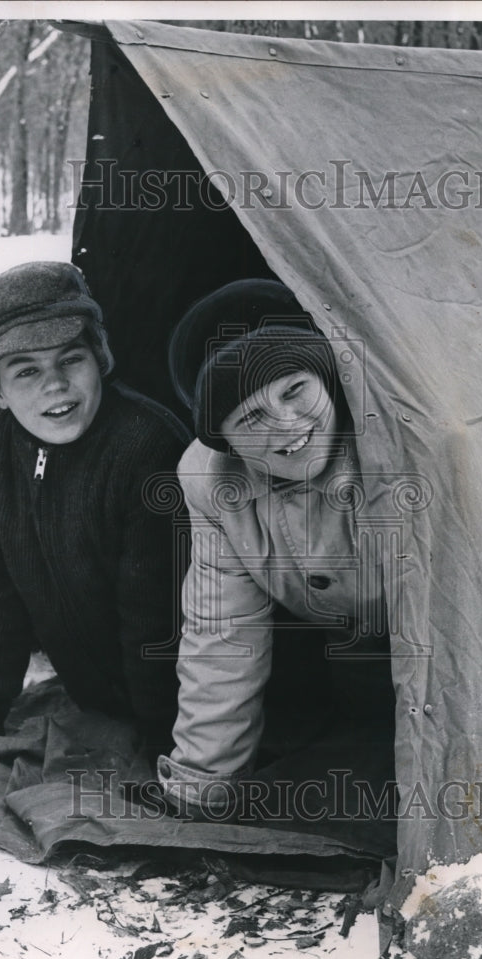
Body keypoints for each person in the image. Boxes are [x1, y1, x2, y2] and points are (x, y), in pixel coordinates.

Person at [0, 261, 188, 766]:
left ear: (101, 360)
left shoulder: (146, 445)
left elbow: (156, 618)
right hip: (93, 695)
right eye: (26, 371)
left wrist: (166, 741)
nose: (55, 385)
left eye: (72, 359)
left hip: (179, 700)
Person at [156, 280, 395, 830]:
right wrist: (203, 784)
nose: (286, 424)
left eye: (293, 390)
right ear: (226, 442)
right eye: (250, 418)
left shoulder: (401, 440)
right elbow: (223, 633)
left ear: (327, 379)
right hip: (347, 649)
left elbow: (469, 628)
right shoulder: (212, 482)